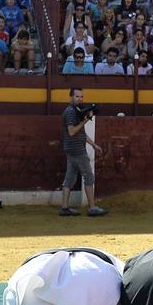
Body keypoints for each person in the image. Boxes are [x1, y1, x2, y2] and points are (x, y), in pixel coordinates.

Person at [59, 88, 107, 217]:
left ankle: (64, 208)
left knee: (70, 178)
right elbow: (72, 131)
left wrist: (93, 145)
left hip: (71, 148)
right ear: (71, 97)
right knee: (89, 176)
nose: (80, 99)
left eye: (81, 96)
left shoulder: (75, 111)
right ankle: (92, 207)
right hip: (77, 150)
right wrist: (86, 120)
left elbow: (81, 133)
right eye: (77, 96)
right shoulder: (71, 112)